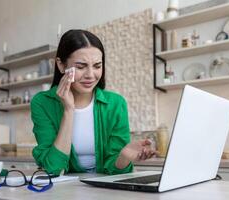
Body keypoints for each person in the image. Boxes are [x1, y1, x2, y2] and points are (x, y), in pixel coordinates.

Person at [31, 29, 157, 175]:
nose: (90, 75)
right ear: (61, 65)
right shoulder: (42, 103)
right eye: (80, 67)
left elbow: (114, 170)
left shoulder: (116, 104)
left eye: (97, 66)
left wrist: (124, 157)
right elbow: (53, 168)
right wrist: (68, 111)